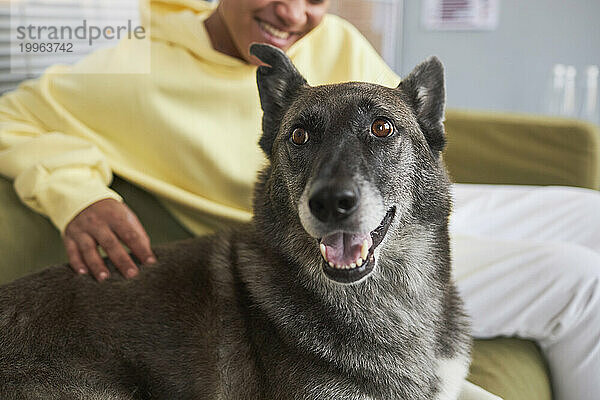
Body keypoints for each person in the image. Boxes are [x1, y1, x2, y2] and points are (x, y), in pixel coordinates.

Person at [0, 1, 599, 399]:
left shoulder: (332, 36)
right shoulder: (134, 63)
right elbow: (10, 116)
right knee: (581, 281)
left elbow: (411, 143)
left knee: (589, 213)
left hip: (408, 207)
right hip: (321, 233)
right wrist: (73, 193)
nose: (290, 11)